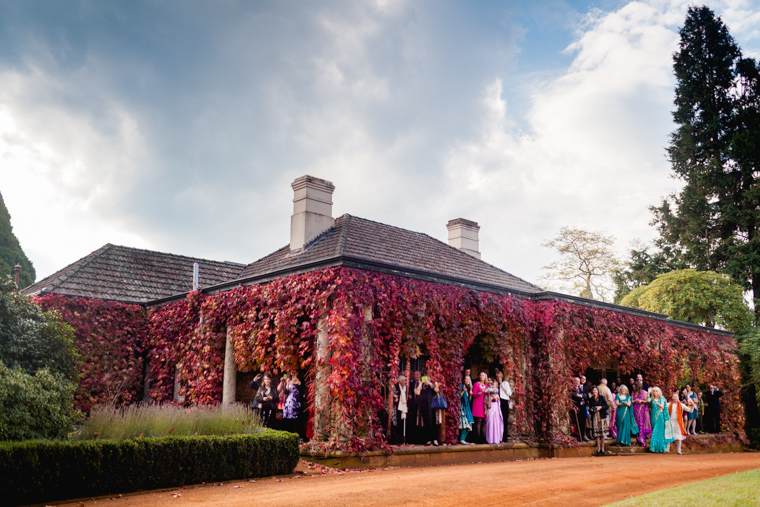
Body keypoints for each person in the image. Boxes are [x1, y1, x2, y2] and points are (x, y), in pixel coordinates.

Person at [648, 387, 674, 453]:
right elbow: (647, 400)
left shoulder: (662, 398)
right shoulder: (652, 399)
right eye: (654, 391)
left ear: (659, 392)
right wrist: (648, 392)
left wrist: (658, 405)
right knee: (654, 431)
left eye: (656, 391)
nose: (655, 392)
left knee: (659, 432)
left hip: (660, 416)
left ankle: (660, 448)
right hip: (653, 416)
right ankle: (655, 448)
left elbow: (662, 406)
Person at [668, 390, 694, 454]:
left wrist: (692, 406)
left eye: (676, 397)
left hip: (678, 423)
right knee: (668, 436)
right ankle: (667, 450)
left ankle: (679, 451)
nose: (674, 398)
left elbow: (690, 410)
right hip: (670, 422)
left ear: (678, 398)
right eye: (673, 397)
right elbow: (663, 408)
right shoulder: (668, 404)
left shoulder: (681, 405)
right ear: (672, 397)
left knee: (679, 438)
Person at [415, 373, 437, 445]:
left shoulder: (433, 383)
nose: (427, 378)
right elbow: (417, 392)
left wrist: (430, 383)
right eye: (426, 377)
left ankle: (434, 439)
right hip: (424, 406)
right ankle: (428, 439)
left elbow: (436, 390)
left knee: (433, 421)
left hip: (432, 405)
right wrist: (420, 384)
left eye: (428, 377)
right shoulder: (422, 384)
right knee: (426, 422)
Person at [588, 386, 609, 455]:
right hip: (595, 416)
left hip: (601, 416)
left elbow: (606, 406)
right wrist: (591, 409)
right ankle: (598, 448)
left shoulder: (601, 397)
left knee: (602, 434)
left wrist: (600, 407)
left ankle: (603, 449)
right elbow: (590, 408)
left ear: (597, 391)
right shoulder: (591, 399)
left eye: (595, 390)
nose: (594, 391)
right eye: (593, 390)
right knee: (597, 434)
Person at [632, 381, 652, 447]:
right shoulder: (633, 392)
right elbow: (632, 401)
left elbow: (647, 400)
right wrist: (635, 401)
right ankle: (638, 440)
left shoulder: (644, 392)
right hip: (635, 409)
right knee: (637, 425)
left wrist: (642, 401)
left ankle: (642, 441)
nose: (633, 387)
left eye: (634, 386)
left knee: (641, 424)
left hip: (642, 409)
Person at [282, 372, 302, 436]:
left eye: (295, 372)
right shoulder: (288, 381)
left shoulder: (299, 381)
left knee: (298, 420)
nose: (293, 374)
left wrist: (297, 380)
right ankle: (288, 434)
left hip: (297, 402)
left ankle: (299, 435)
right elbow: (285, 391)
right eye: (292, 372)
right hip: (289, 403)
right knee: (289, 420)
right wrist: (287, 384)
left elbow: (301, 388)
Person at [471, 371, 489, 444]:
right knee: (478, 421)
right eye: (480, 375)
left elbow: (487, 396)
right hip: (477, 403)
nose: (481, 376)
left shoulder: (487, 386)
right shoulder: (476, 384)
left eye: (483, 375)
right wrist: (480, 392)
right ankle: (477, 439)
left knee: (484, 421)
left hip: (484, 404)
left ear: (485, 377)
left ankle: (483, 438)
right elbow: (474, 395)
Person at [391, 375, 409, 444]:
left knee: (403, 423)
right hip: (397, 408)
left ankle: (403, 439)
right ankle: (396, 439)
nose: (405, 382)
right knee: (396, 423)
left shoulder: (406, 388)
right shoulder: (396, 387)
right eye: (404, 380)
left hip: (404, 408)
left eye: (405, 380)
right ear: (400, 381)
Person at [485, 378, 504, 444]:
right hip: (490, 405)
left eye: (491, 382)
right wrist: (491, 397)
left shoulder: (496, 390)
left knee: (496, 421)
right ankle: (490, 438)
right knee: (490, 421)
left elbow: (497, 396)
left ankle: (496, 438)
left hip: (495, 405)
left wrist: (496, 397)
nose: (491, 383)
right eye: (489, 380)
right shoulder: (487, 388)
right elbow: (486, 395)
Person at [495, 370, 512, 442]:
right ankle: (498, 437)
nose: (499, 378)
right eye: (497, 377)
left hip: (504, 402)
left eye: (500, 377)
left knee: (505, 419)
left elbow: (509, 393)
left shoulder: (505, 383)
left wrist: (503, 388)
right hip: (498, 402)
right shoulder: (495, 384)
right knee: (498, 420)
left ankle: (504, 437)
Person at [571, 376, 588, 442]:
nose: (577, 382)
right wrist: (582, 396)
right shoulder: (572, 389)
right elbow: (574, 397)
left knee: (582, 423)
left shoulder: (580, 388)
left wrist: (581, 396)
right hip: (576, 408)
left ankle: (582, 436)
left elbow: (586, 397)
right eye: (576, 381)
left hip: (582, 408)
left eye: (578, 381)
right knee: (576, 423)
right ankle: (577, 437)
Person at [459, 374, 474, 445]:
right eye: (466, 379)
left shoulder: (469, 388)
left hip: (467, 408)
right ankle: (461, 439)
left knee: (469, 423)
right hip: (462, 407)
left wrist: (470, 395)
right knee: (464, 423)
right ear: (464, 380)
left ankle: (463, 439)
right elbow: (458, 396)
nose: (467, 381)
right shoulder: (462, 386)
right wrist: (462, 391)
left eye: (469, 379)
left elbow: (469, 401)